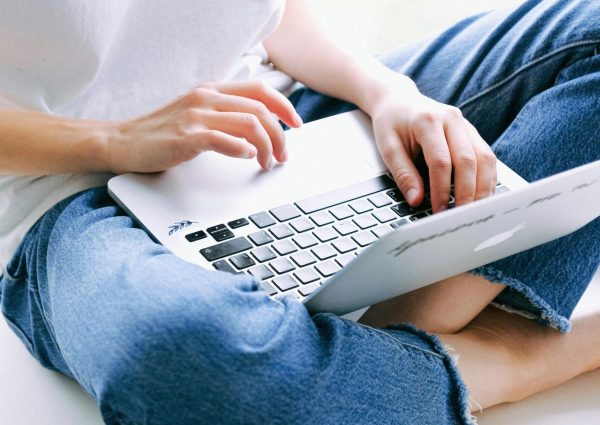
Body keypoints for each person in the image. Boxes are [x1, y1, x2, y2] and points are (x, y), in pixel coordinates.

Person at [0, 0, 598, 423]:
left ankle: (403, 346)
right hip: (66, 194)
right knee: (187, 360)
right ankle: (514, 359)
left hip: (278, 110)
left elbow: (271, 10)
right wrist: (113, 138)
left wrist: (386, 91)